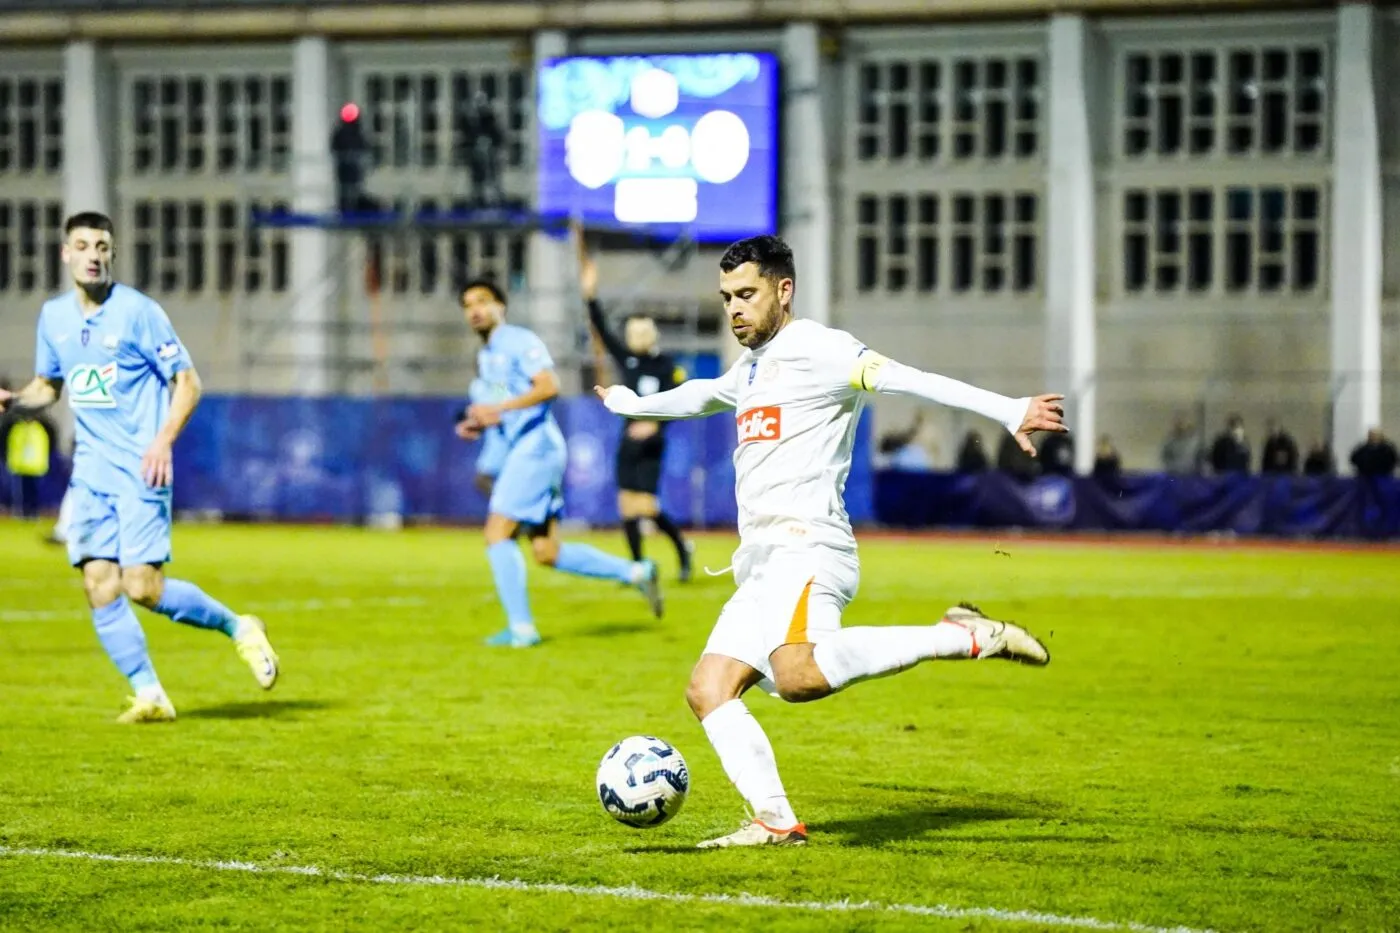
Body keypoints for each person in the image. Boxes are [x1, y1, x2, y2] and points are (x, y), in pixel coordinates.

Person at [596, 235, 1062, 848]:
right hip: (762, 563)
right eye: (727, 297)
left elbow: (906, 379)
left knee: (798, 677)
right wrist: (634, 404)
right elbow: (706, 393)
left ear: (783, 290)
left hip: (809, 545)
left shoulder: (821, 349)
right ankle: (774, 820)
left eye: (747, 294)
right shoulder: (756, 366)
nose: (734, 308)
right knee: (709, 690)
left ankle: (962, 636)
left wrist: (1006, 409)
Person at [0, 211, 279, 723]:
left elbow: (188, 383)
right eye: (82, 245)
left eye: (101, 246)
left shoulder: (139, 312)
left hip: (141, 469)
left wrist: (163, 442)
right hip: (91, 473)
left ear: (111, 253)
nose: (92, 255)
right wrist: (16, 399)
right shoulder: (54, 316)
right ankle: (150, 693)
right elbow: (49, 385)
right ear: (65, 254)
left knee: (142, 588)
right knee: (98, 584)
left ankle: (239, 627)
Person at [455, 278, 664, 648]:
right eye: (468, 304)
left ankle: (522, 630)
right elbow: (510, 395)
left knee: (496, 534)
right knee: (546, 551)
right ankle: (635, 571)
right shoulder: (489, 357)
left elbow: (548, 387)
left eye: (483, 301)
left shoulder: (518, 340)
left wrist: (498, 409)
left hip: (536, 448)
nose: (475, 309)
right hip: (525, 448)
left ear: (501, 306)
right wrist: (482, 419)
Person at [576, 233, 693, 581]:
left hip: (651, 444)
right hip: (628, 440)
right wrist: (590, 294)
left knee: (648, 507)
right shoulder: (626, 360)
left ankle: (682, 551)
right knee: (627, 507)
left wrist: (656, 425)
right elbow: (600, 327)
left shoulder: (666, 366)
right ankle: (638, 568)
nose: (632, 337)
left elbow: (680, 401)